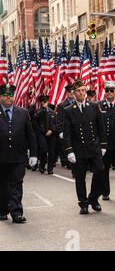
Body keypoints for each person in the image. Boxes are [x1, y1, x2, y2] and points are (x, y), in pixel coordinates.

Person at [63, 80, 107, 215]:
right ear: (74, 93)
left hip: (94, 147)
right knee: (80, 177)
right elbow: (67, 133)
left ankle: (93, 198)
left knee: (100, 172)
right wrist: (69, 150)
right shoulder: (69, 110)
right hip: (78, 149)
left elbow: (101, 127)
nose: (82, 93)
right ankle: (83, 203)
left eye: (83, 90)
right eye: (78, 91)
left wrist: (103, 145)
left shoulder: (94, 107)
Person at [0, 84, 38, 223]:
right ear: (0, 97)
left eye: (10, 95)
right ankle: (3, 210)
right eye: (5, 95)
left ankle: (16, 212)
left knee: (16, 183)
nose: (8, 98)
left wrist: (33, 154)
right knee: (3, 184)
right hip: (1, 156)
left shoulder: (23, 112)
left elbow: (30, 135)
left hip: (19, 156)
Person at [33, 96, 57, 175]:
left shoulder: (52, 112)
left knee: (52, 152)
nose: (45, 103)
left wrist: (51, 130)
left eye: (46, 101)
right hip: (41, 133)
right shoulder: (38, 112)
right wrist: (42, 110)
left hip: (51, 134)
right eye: (43, 101)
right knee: (43, 150)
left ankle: (50, 168)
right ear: (40, 103)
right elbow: (35, 123)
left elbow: (55, 123)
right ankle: (42, 165)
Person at [55, 84, 75, 170]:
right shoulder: (61, 105)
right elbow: (59, 119)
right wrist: (60, 131)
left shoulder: (77, 103)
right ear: (67, 93)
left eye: (73, 91)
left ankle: (74, 164)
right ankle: (69, 163)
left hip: (75, 129)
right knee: (68, 147)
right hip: (66, 129)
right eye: (70, 91)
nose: (71, 93)